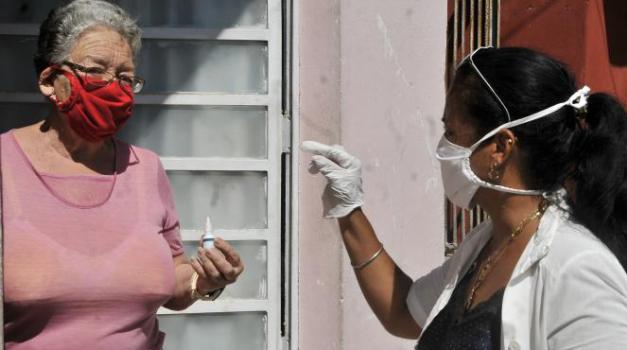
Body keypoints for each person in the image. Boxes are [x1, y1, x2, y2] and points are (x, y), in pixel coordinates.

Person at [303, 46, 627, 349]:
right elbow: (403, 312)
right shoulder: (487, 243)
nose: (443, 148)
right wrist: (349, 211)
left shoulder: (577, 268)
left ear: (500, 148)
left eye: (452, 133)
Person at [2, 1, 244, 348]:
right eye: (97, 70)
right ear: (50, 80)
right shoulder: (5, 165)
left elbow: (172, 284)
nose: (113, 87)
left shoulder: (145, 169)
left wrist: (205, 279)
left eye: (126, 77)